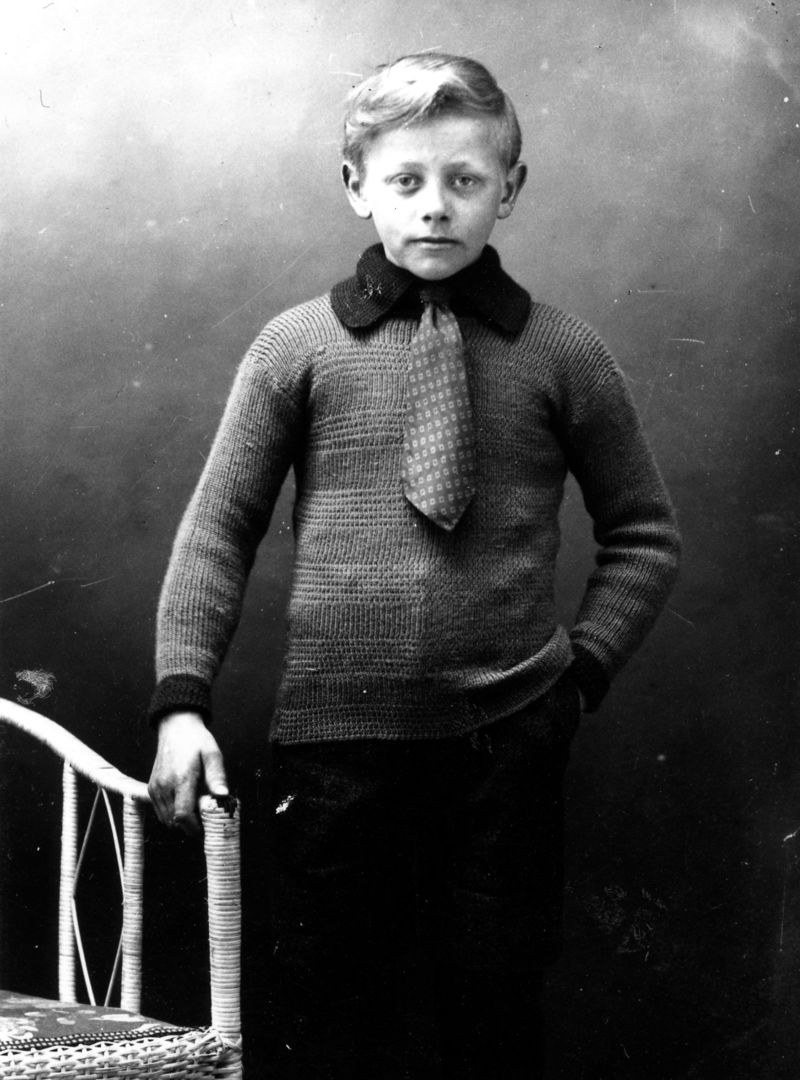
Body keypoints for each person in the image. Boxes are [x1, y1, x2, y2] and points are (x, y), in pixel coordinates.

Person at [147, 51, 680, 1079]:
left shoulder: (562, 353)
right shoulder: (295, 348)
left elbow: (645, 534)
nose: (435, 206)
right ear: (357, 187)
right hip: (334, 750)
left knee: (492, 1019)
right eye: (406, 180)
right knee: (333, 1021)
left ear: (509, 189)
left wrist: (575, 681)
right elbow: (217, 532)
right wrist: (180, 703)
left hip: (506, 748)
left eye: (465, 179)